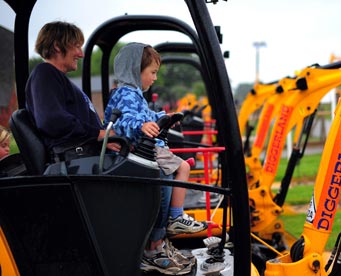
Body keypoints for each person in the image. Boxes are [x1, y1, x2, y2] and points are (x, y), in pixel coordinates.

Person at [104, 42, 207, 274]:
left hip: (143, 149)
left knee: (176, 168)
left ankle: (168, 228)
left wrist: (164, 116)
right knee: (174, 169)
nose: (154, 78)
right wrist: (142, 125)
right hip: (134, 151)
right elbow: (125, 122)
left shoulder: (135, 95)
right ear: (135, 71)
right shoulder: (126, 94)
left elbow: (147, 114)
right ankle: (171, 223)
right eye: (152, 73)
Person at [25, 21, 120, 158]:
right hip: (74, 161)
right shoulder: (45, 73)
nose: (81, 54)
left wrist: (103, 139)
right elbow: (52, 120)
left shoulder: (58, 79)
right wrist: (99, 134)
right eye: (76, 46)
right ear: (57, 46)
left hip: (84, 155)